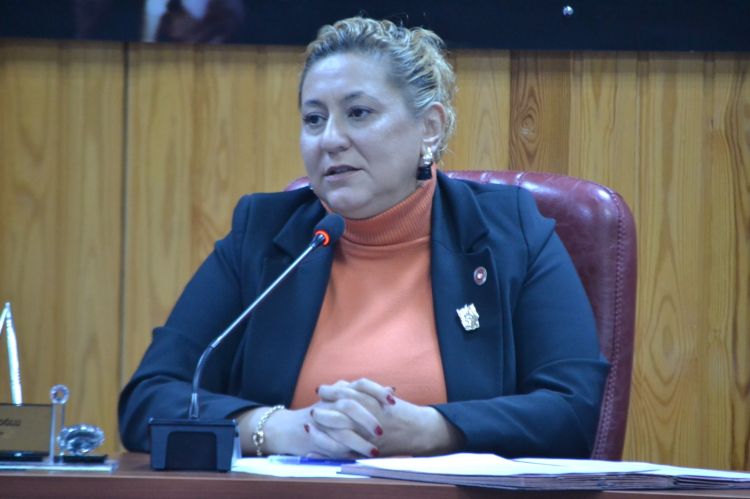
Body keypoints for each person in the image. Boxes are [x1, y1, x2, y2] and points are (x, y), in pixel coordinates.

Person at [119, 17, 609, 459]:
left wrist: (431, 430)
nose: (330, 139)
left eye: (358, 113)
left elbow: (573, 410)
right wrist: (281, 428)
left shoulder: (510, 232)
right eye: (314, 119)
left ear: (430, 128)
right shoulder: (264, 235)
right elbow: (149, 399)